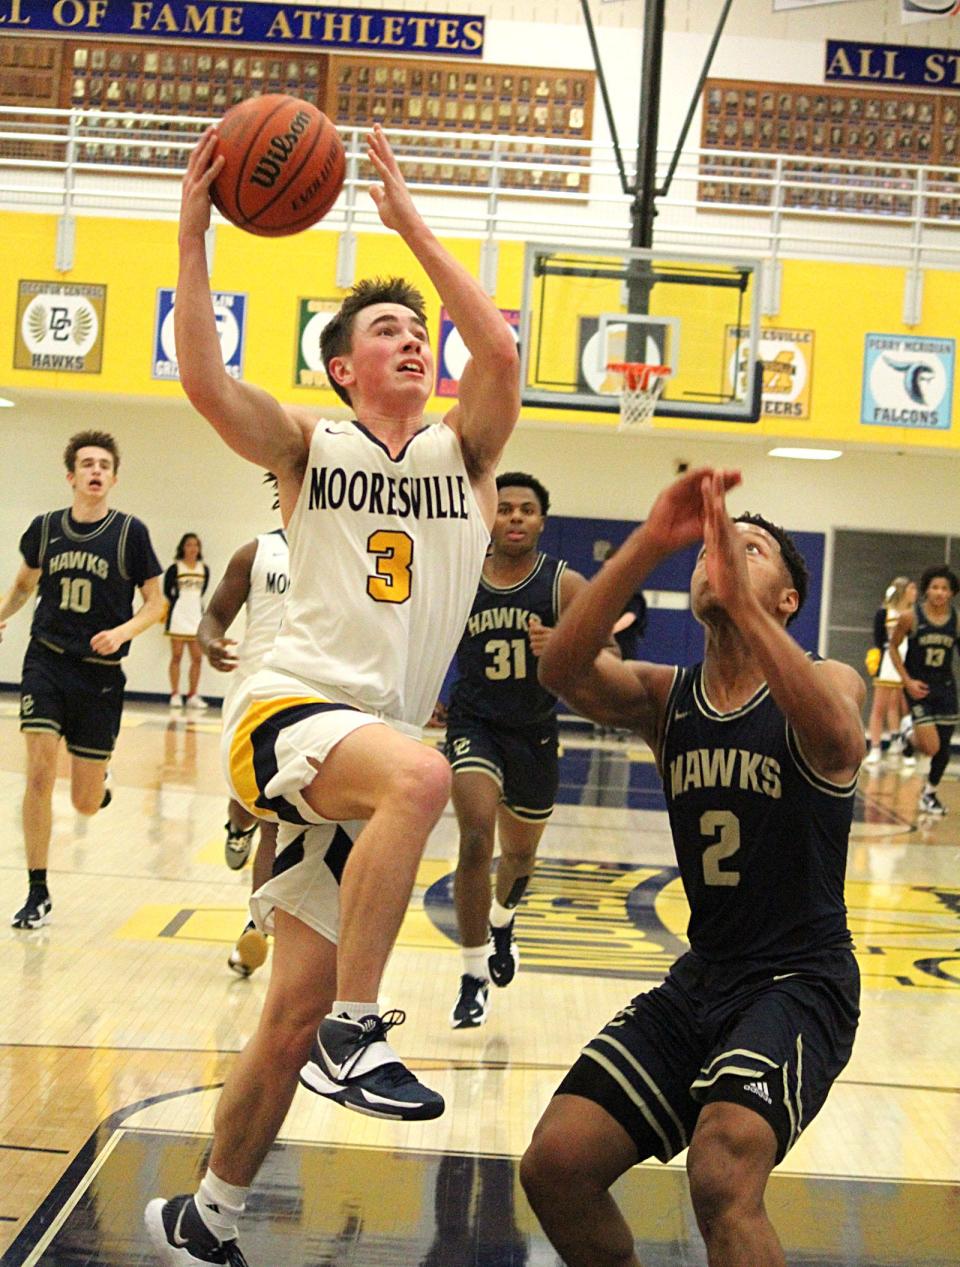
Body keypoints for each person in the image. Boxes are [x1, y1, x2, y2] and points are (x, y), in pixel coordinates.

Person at [145, 123, 519, 1265]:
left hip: (372, 755)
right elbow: (205, 379)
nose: (412, 340)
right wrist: (193, 232)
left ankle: (206, 1214)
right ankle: (361, 1032)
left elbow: (498, 349)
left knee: (286, 1012)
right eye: (385, 331)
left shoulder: (468, 454)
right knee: (422, 775)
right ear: (341, 367)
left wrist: (410, 227)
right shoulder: (311, 446)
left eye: (418, 330)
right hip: (290, 711)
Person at [520, 468, 864, 1267]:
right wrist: (651, 539)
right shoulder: (664, 696)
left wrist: (741, 603)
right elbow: (562, 672)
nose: (728, 555)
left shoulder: (825, 678)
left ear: (786, 600)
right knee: (557, 1163)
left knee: (723, 1166)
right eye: (719, 545)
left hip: (800, 980)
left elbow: (842, 740)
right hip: (702, 980)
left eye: (752, 549)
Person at [0, 430, 163, 930]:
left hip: (99, 677)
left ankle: (100, 783)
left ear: (113, 478)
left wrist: (124, 630)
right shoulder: (45, 529)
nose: (95, 471)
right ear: (71, 476)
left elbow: (157, 605)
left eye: (104, 465)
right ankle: (38, 890)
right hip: (46, 661)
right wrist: (2, 614)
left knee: (84, 804)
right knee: (39, 770)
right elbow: (25, 585)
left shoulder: (130, 533)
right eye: (86, 464)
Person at [446, 472, 586, 1029]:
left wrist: (567, 645)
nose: (515, 518)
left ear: (542, 521)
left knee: (520, 856)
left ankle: (503, 922)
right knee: (477, 836)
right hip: (475, 722)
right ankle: (472, 974)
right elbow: (424, 636)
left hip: (534, 731)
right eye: (505, 509)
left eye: (527, 509)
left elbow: (611, 647)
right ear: (489, 516)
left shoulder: (562, 585)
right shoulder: (459, 576)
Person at [197, 485, 288, 978]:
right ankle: (237, 826)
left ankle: (256, 927)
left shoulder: (353, 551)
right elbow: (212, 617)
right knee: (252, 808)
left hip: (315, 699)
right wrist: (212, 644)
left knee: (280, 817)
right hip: (255, 697)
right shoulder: (257, 552)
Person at [887, 564, 960, 816]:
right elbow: (893, 647)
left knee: (944, 747)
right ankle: (908, 731)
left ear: (952, 593)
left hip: (946, 687)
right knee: (930, 747)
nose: (939, 592)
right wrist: (906, 681)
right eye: (935, 587)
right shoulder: (911, 617)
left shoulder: (957, 619)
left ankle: (929, 793)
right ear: (926, 590)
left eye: (944, 588)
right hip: (918, 686)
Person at [864, 575, 916, 766]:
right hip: (888, 661)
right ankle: (875, 748)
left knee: (902, 707)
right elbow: (879, 640)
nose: (915, 593)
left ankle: (901, 744)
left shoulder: (913, 614)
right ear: (903, 591)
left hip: (908, 662)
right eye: (912, 589)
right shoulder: (884, 612)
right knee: (879, 707)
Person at [163, 531, 210, 710]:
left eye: (195, 545)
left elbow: (202, 591)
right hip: (178, 615)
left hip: (196, 616)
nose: (192, 548)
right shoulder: (175, 568)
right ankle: (175, 694)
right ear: (183, 547)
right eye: (189, 545)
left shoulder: (204, 569)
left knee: (197, 657)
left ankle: (192, 695)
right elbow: (167, 591)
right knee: (177, 656)